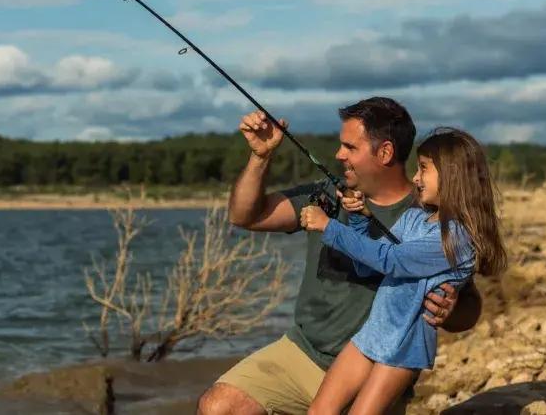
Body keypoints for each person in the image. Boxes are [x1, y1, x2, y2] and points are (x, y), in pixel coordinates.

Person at [197, 97, 483, 415]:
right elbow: (245, 216)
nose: (338, 155)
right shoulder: (324, 196)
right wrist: (260, 157)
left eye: (350, 147)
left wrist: (451, 309)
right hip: (303, 353)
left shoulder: (429, 216)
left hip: (378, 367)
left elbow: (468, 308)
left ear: (385, 152)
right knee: (218, 406)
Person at [301, 128, 508, 414]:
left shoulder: (456, 239)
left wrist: (329, 227)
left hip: (403, 349)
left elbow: (391, 259)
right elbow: (367, 266)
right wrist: (359, 220)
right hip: (373, 333)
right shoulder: (413, 218)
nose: (415, 178)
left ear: (452, 175)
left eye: (423, 169)